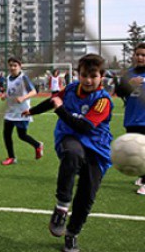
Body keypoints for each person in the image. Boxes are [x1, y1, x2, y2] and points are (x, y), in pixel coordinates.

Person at [23, 54, 113, 252]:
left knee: (86, 196)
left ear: (102, 76)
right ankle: (62, 206)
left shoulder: (102, 101)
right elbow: (53, 100)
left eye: (93, 76)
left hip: (97, 147)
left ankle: (72, 234)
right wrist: (32, 111)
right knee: (72, 154)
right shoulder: (72, 88)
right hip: (69, 137)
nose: (88, 80)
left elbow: (84, 127)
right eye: (84, 75)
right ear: (78, 75)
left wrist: (61, 110)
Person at [0, 57, 43, 166]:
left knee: (22, 135)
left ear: (20, 66)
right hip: (10, 111)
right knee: (6, 134)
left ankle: (37, 145)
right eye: (10, 65)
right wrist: (5, 95)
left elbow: (34, 92)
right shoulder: (8, 77)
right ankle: (11, 157)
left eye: (15, 65)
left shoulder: (23, 78)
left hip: (22, 112)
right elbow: (11, 91)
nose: (12, 67)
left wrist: (23, 98)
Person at [115, 42, 145, 195]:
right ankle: (142, 176)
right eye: (137, 54)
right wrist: (129, 85)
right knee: (136, 149)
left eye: (143, 55)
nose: (140, 57)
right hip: (132, 119)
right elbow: (118, 92)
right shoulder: (129, 74)